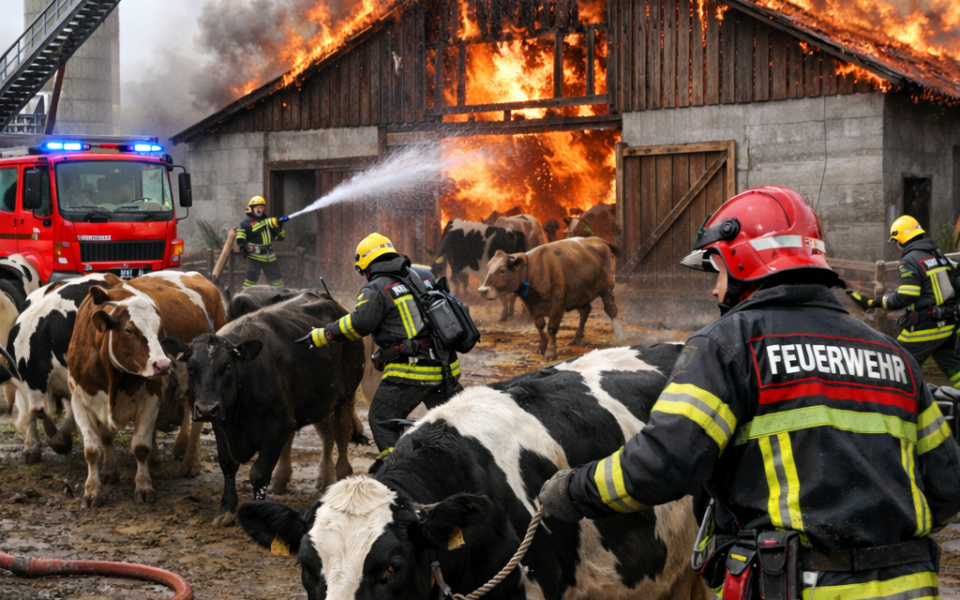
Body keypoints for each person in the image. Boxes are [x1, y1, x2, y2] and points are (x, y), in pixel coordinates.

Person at [538, 186, 960, 600]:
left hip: (797, 585)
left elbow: (664, 464)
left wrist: (574, 489)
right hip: (910, 586)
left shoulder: (729, 346)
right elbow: (947, 485)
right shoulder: (895, 356)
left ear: (743, 261)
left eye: (718, 271)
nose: (715, 289)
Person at [298, 233, 462, 461]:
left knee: (382, 420)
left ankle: (399, 472)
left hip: (412, 371)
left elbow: (359, 325)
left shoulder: (377, 287)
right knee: (457, 424)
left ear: (367, 266)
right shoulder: (420, 276)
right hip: (446, 368)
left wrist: (322, 335)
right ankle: (462, 464)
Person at [847, 215, 960, 387]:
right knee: (953, 368)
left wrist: (877, 302)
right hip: (948, 325)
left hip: (925, 327)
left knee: (896, 364)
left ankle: (894, 399)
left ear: (900, 240)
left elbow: (906, 296)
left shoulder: (909, 260)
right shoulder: (939, 256)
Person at [236, 196, 286, 289]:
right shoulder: (245, 223)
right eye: (258, 207)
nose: (260, 210)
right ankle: (246, 295)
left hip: (270, 257)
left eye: (262, 207)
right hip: (254, 257)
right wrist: (243, 247)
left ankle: (279, 295)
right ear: (251, 208)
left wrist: (278, 226)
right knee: (250, 281)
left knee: (277, 281)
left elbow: (279, 237)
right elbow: (241, 237)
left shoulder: (269, 221)